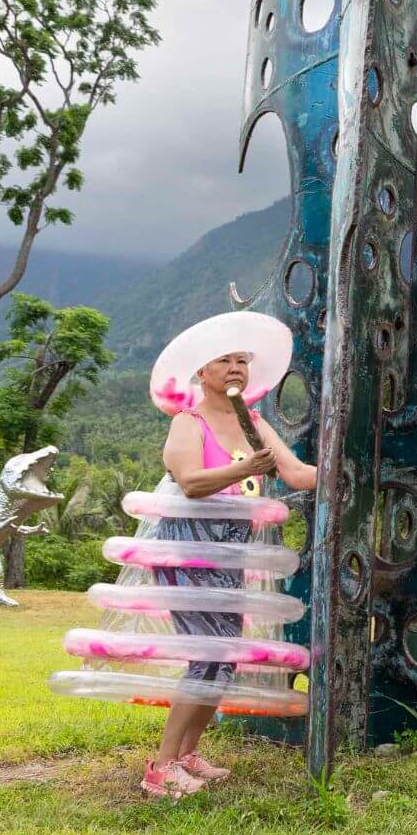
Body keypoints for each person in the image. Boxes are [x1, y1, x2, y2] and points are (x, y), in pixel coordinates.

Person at [142, 316, 317, 798]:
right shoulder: (188, 421)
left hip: (230, 545)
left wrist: (345, 471)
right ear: (203, 371)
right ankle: (159, 768)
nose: (235, 368)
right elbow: (191, 482)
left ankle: (187, 754)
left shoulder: (253, 421)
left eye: (242, 360)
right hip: (189, 545)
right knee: (206, 654)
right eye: (225, 360)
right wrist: (244, 467)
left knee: (226, 656)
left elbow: (297, 473)